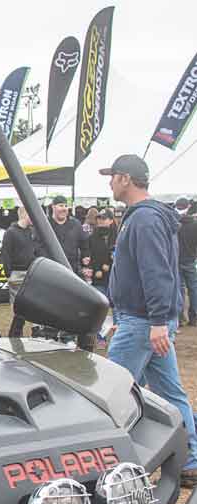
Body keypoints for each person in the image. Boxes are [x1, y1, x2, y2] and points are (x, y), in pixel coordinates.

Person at [101, 154, 197, 487]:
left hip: (143, 322)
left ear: (126, 178)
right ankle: (191, 460)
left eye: (112, 176)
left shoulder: (144, 219)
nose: (109, 182)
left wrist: (156, 321)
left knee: (109, 391)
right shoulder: (147, 217)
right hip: (142, 319)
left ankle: (110, 465)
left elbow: (156, 273)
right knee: (171, 392)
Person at [1, 204, 36, 337]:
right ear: (25, 214)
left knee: (30, 305)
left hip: (31, 272)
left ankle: (18, 333)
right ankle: (15, 333)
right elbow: (6, 254)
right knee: (19, 306)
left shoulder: (31, 231)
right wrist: (8, 273)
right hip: (16, 273)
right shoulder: (11, 232)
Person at [44, 195, 89, 276]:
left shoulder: (75, 224)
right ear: (53, 207)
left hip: (72, 270)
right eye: (61, 205)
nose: (64, 208)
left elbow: (84, 243)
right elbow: (38, 245)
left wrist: (85, 257)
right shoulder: (45, 224)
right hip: (51, 270)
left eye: (66, 206)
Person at [176, 196, 197, 326]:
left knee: (179, 289)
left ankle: (179, 318)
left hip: (177, 260)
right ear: (188, 207)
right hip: (190, 259)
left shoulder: (174, 223)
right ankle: (194, 317)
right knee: (193, 288)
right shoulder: (194, 224)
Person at [89, 208, 117, 297]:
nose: (100, 221)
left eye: (104, 218)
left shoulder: (117, 236)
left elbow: (119, 255)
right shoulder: (92, 236)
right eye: (99, 218)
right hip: (98, 279)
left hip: (114, 278)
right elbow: (89, 254)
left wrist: (109, 264)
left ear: (111, 220)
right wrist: (97, 268)